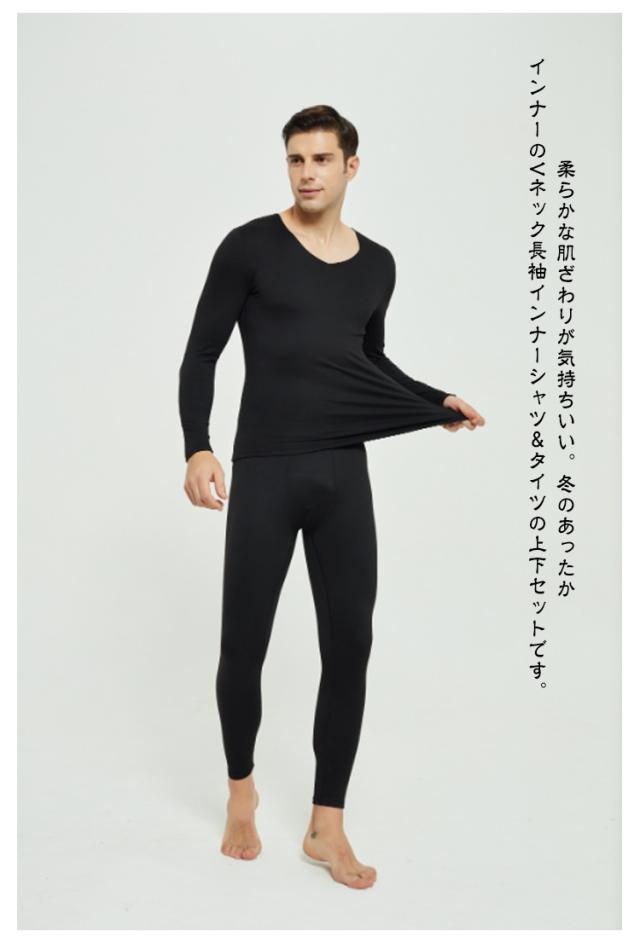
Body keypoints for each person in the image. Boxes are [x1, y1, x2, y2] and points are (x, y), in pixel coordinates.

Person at [178, 104, 485, 890]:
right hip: (267, 470)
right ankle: (241, 791)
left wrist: (432, 401)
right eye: (295, 159)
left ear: (352, 165)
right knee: (243, 645)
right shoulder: (248, 246)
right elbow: (202, 353)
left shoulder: (377, 264)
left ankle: (327, 822)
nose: (306, 172)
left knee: (350, 644)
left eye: (320, 158)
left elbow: (366, 366)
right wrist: (197, 444)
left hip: (344, 474)